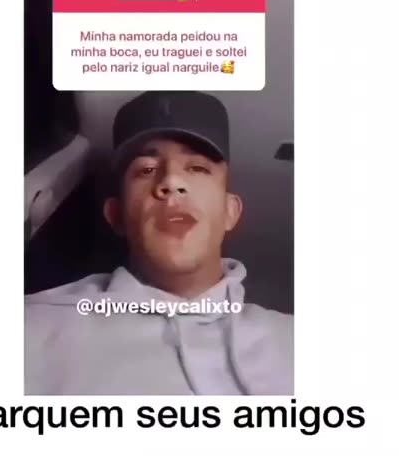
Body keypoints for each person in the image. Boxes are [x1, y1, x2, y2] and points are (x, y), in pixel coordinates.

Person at [25, 91, 293, 395]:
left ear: (230, 212)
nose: (171, 182)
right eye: (147, 170)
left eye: (197, 168)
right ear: (116, 216)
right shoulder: (31, 330)